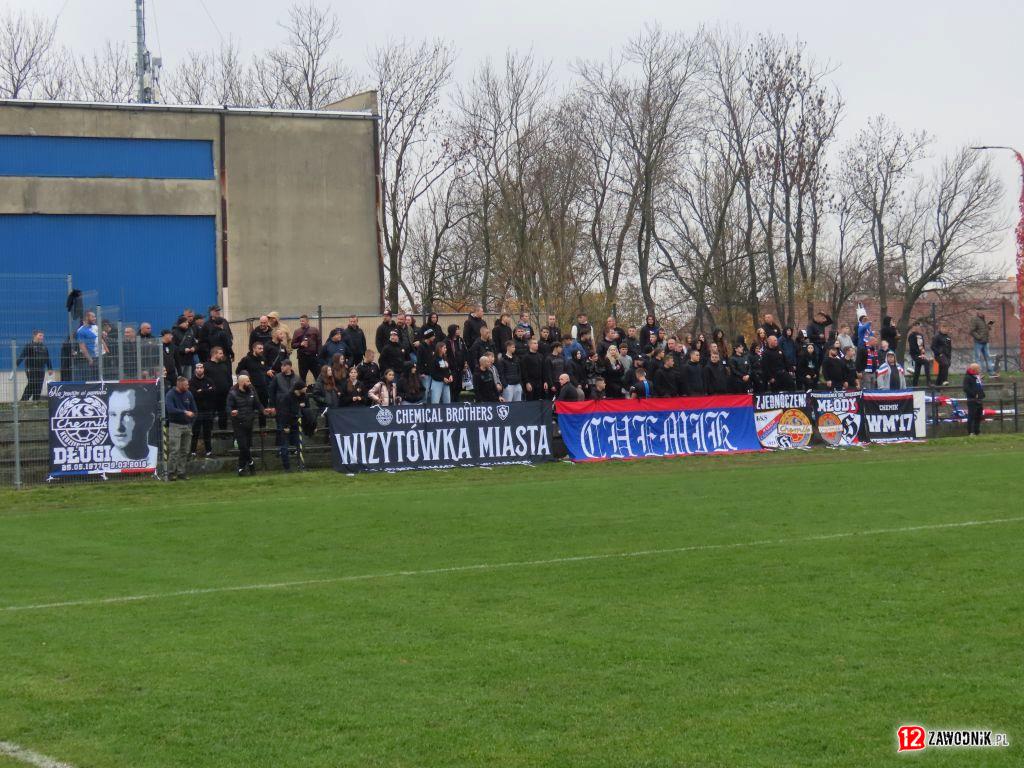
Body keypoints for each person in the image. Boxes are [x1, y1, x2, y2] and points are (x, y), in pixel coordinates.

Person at [106, 386, 158, 468]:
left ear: (149, 420)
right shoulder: (104, 461)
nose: (118, 426)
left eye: (128, 414)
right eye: (113, 414)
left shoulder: (156, 456)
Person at [269, 358, 305, 471]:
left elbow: (303, 393)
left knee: (298, 439)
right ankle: (286, 466)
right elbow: (271, 392)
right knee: (283, 437)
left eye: (283, 366)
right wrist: (274, 406)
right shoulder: (277, 378)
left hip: (295, 412)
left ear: (289, 366)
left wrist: (301, 401)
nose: (281, 368)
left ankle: (301, 464)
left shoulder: (297, 378)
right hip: (282, 411)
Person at [164, 376, 196, 481]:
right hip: (175, 425)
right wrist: (184, 412)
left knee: (185, 451)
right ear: (180, 384)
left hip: (187, 426)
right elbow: (170, 409)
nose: (188, 386)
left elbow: (194, 409)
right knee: (175, 450)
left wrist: (191, 420)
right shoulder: (170, 394)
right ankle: (171, 473)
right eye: (186, 385)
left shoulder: (189, 394)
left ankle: (181, 472)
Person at [227, 374, 259, 475]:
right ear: (241, 382)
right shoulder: (232, 394)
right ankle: (251, 463)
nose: (250, 383)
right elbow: (228, 407)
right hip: (238, 423)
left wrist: (264, 410)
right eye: (248, 381)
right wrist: (232, 411)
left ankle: (241, 469)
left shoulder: (251, 392)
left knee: (246, 447)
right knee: (243, 446)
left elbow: (257, 404)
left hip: (249, 422)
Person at [236, 341, 273, 427]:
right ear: (253, 349)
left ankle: (263, 429)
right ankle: (248, 428)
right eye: (259, 348)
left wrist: (268, 371)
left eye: (262, 348)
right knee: (250, 408)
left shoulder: (263, 359)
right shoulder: (246, 359)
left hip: (263, 388)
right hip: (252, 388)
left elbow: (265, 369)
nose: (261, 350)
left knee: (263, 408)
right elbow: (238, 371)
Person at [188, 362, 217, 457]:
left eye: (201, 367)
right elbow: (194, 394)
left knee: (207, 432)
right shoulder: (191, 381)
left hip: (208, 410)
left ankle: (209, 451)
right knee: (195, 432)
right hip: (196, 410)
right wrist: (207, 390)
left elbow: (213, 391)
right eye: (197, 367)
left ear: (204, 369)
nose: (199, 369)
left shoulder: (209, 380)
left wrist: (202, 391)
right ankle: (192, 452)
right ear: (195, 369)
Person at [17, 330, 51, 401]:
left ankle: (36, 401)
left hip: (41, 369)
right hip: (31, 368)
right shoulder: (29, 345)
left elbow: (47, 358)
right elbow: (22, 355)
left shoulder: (44, 347)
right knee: (32, 384)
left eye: (42, 336)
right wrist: (16, 364)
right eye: (40, 335)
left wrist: (50, 368)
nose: (42, 337)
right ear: (35, 336)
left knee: (39, 385)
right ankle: (24, 400)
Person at [292, 314, 322, 383]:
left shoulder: (315, 330)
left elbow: (319, 344)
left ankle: (318, 391)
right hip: (302, 357)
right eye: (300, 321)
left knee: (318, 376)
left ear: (308, 321)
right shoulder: (297, 332)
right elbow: (293, 345)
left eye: (303, 321)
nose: (301, 322)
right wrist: (300, 344)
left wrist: (319, 355)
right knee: (302, 377)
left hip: (313, 357)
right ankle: (303, 392)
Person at [969, 310, 997, 377]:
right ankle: (979, 373)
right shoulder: (975, 319)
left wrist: (989, 326)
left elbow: (983, 330)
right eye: (980, 311)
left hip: (985, 341)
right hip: (978, 342)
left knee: (988, 357)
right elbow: (971, 331)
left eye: (983, 311)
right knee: (978, 358)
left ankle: (991, 372)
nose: (982, 312)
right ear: (978, 312)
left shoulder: (983, 319)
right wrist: (978, 337)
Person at [446, 324, 467, 403]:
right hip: (452, 368)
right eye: (456, 329)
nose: (458, 331)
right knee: (452, 387)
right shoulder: (447, 341)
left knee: (458, 387)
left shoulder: (460, 340)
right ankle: (452, 403)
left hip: (460, 368)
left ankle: (457, 402)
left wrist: (465, 362)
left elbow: (464, 352)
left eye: (459, 329)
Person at [962, 363, 984, 436]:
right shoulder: (968, 377)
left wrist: (982, 394)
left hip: (979, 400)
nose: (979, 370)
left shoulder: (977, 377)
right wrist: (974, 394)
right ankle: (970, 432)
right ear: (974, 369)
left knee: (978, 416)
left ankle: (977, 431)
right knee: (971, 416)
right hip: (972, 400)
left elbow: (979, 386)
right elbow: (966, 388)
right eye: (978, 369)